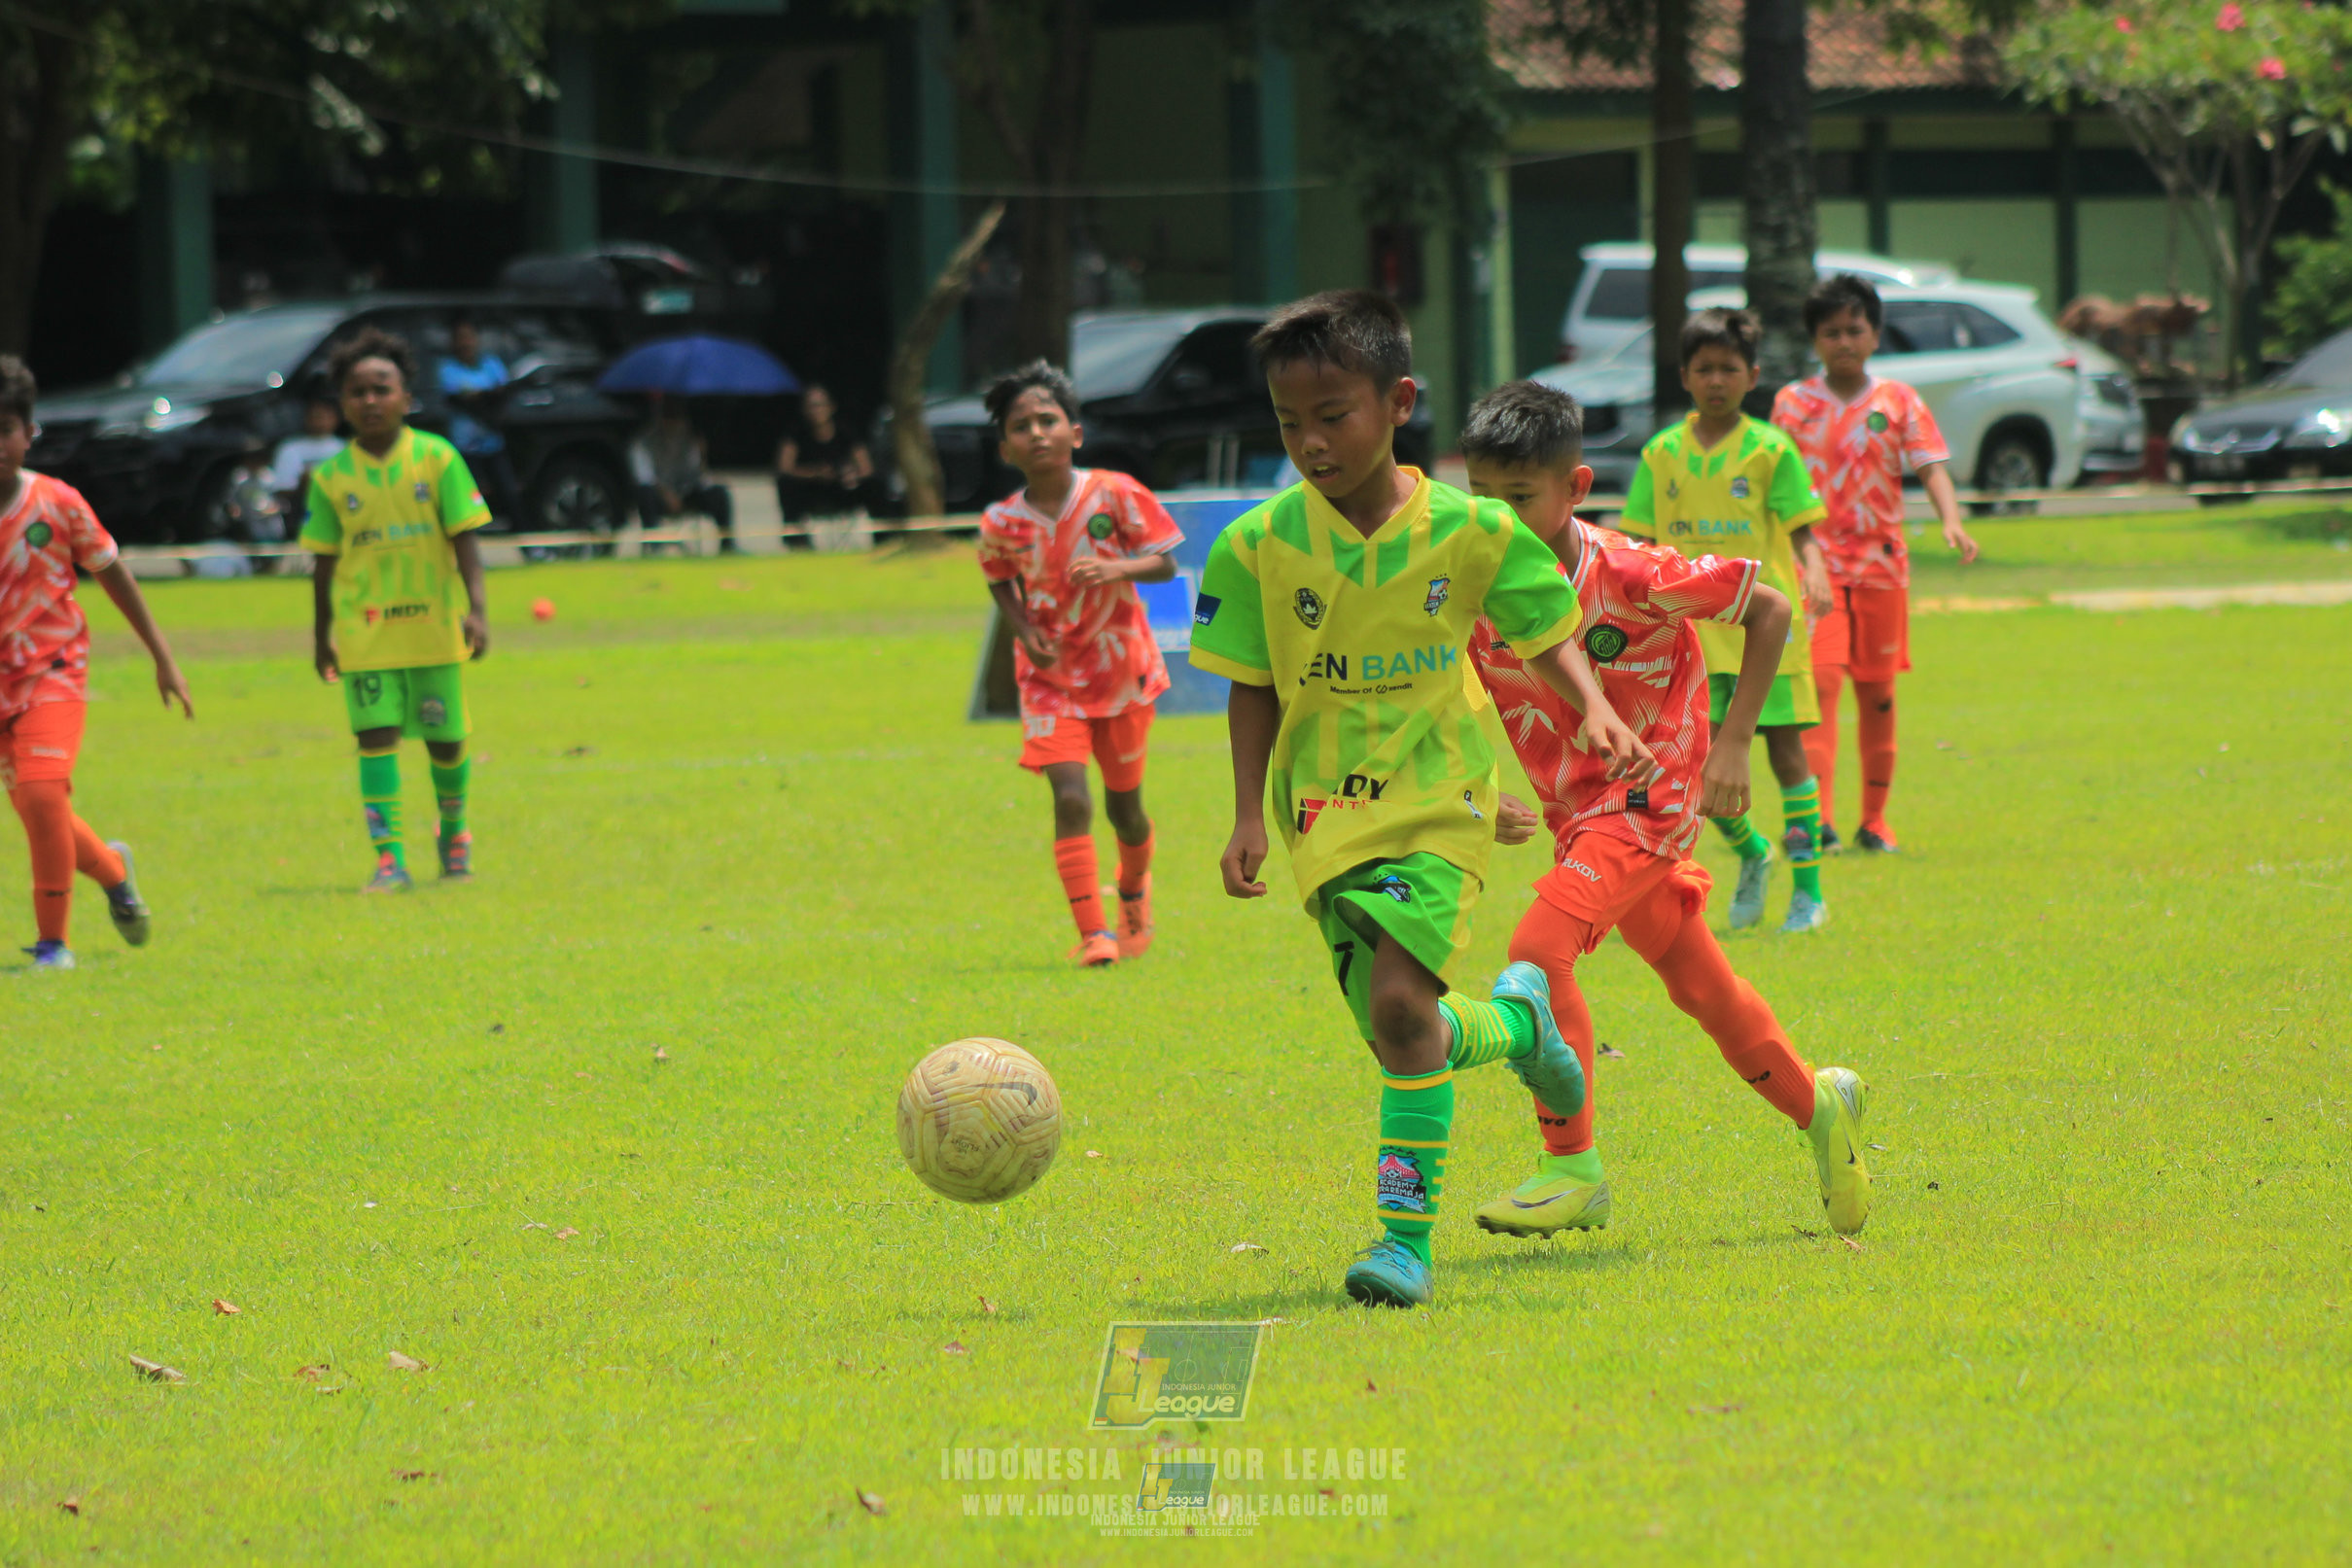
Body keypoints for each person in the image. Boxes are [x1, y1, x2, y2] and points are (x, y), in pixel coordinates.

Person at [1189, 290, 1653, 1309]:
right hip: (1318, 817)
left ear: (1397, 401)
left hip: (1441, 799)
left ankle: (1402, 1244)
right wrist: (1240, 816)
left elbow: (1546, 628)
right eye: (1288, 422)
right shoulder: (1258, 544)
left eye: (1332, 415)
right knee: (1410, 1035)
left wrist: (1593, 710)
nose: (1310, 442)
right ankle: (1523, 1030)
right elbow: (1252, 680)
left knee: (1402, 1007)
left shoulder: (1475, 530)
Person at [1457, 379, 1872, 1240]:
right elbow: (1445, 696)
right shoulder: (1468, 585)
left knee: (1537, 950)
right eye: (1481, 497)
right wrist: (1474, 792)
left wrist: (1728, 744)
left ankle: (1571, 1166)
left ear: (1574, 489)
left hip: (1652, 794)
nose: (1494, 518)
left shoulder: (1627, 570)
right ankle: (1821, 1107)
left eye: (1517, 498)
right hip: (1580, 814)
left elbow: (1768, 607)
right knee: (1703, 989)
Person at [1617, 308, 1835, 934]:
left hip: (1770, 634)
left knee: (1788, 757)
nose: (1717, 380)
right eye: (1704, 369)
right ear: (1685, 376)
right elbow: (1634, 538)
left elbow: (1803, 530)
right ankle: (1752, 853)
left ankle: (1809, 893)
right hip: (1692, 635)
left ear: (1753, 376)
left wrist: (1813, 569)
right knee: (1695, 767)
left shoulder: (1772, 449)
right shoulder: (1662, 453)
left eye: (1729, 369)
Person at [975, 362, 1178, 967]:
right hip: (1050, 680)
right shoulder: (1002, 522)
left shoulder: (1115, 493)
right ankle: (1096, 935)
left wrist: (1116, 568)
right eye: (1020, 426)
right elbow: (998, 578)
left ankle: (1136, 889)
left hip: (1122, 674)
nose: (1036, 433)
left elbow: (1164, 562)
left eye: (1047, 420)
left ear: (1075, 432)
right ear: (1005, 446)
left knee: (1125, 809)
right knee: (1070, 799)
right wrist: (1025, 628)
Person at [1773, 273, 1980, 854]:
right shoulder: (1792, 404)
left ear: (1875, 333)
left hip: (1882, 568)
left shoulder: (1899, 401)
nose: (1844, 341)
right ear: (1815, 339)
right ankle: (1819, 821)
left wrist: (1951, 521)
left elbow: (1930, 465)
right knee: (1823, 684)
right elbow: (1773, 481)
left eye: (1854, 329)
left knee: (1879, 693)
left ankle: (1876, 821)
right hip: (1814, 567)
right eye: (1831, 332)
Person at [0, 354, 188, 969]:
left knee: (42, 791)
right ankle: (112, 872)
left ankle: (53, 945)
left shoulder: (58, 503)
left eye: (5, 429)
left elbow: (114, 575)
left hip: (53, 671)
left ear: (28, 434)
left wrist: (163, 658)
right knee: (36, 806)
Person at [302, 327, 490, 893]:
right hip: (366, 634)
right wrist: (321, 636)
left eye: (382, 388)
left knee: (446, 741)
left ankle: (454, 833)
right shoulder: (331, 479)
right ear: (342, 405)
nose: (370, 400)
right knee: (376, 737)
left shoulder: (439, 459)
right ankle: (390, 861)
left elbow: (466, 539)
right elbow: (324, 563)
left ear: (407, 397)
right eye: (357, 391)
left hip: (432, 627)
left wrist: (477, 610)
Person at [439, 317, 520, 527]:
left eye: (469, 337)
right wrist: (486, 394)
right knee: (471, 498)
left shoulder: (491, 363)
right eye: (461, 338)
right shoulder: (448, 368)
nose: (466, 343)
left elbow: (503, 392)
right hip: (466, 448)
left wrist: (480, 395)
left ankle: (526, 543)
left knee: (510, 493)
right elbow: (461, 398)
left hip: (493, 443)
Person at [631, 400, 736, 552]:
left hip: (686, 492)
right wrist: (668, 495)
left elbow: (698, 476)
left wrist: (702, 455)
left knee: (719, 493)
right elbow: (644, 477)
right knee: (645, 494)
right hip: (659, 495)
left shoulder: (689, 440)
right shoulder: (644, 442)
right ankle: (653, 545)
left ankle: (727, 544)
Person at [774, 385, 881, 523]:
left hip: (842, 487)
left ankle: (882, 536)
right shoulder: (795, 434)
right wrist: (815, 473)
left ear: (831, 407)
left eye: (819, 405)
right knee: (786, 484)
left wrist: (850, 473)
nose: (816, 410)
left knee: (874, 485)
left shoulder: (847, 432)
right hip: (811, 488)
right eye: (811, 406)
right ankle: (796, 538)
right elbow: (784, 469)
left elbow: (866, 468)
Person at [268, 397, 345, 523]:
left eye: (326, 415)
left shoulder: (346, 449)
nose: (320, 420)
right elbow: (280, 490)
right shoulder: (289, 448)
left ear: (336, 418)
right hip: (301, 514)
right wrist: (305, 483)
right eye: (316, 415)